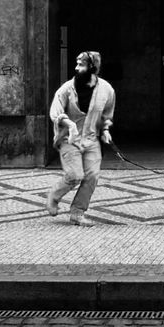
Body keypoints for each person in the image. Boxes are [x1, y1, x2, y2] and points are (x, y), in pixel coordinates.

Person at [46, 50, 115, 226]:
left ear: (93, 67)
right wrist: (68, 123)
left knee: (92, 176)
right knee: (75, 175)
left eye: (81, 64)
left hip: (91, 139)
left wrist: (106, 129)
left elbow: (107, 114)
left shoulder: (107, 90)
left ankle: (77, 213)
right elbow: (55, 112)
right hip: (69, 139)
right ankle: (54, 196)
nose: (76, 68)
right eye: (76, 64)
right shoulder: (67, 88)